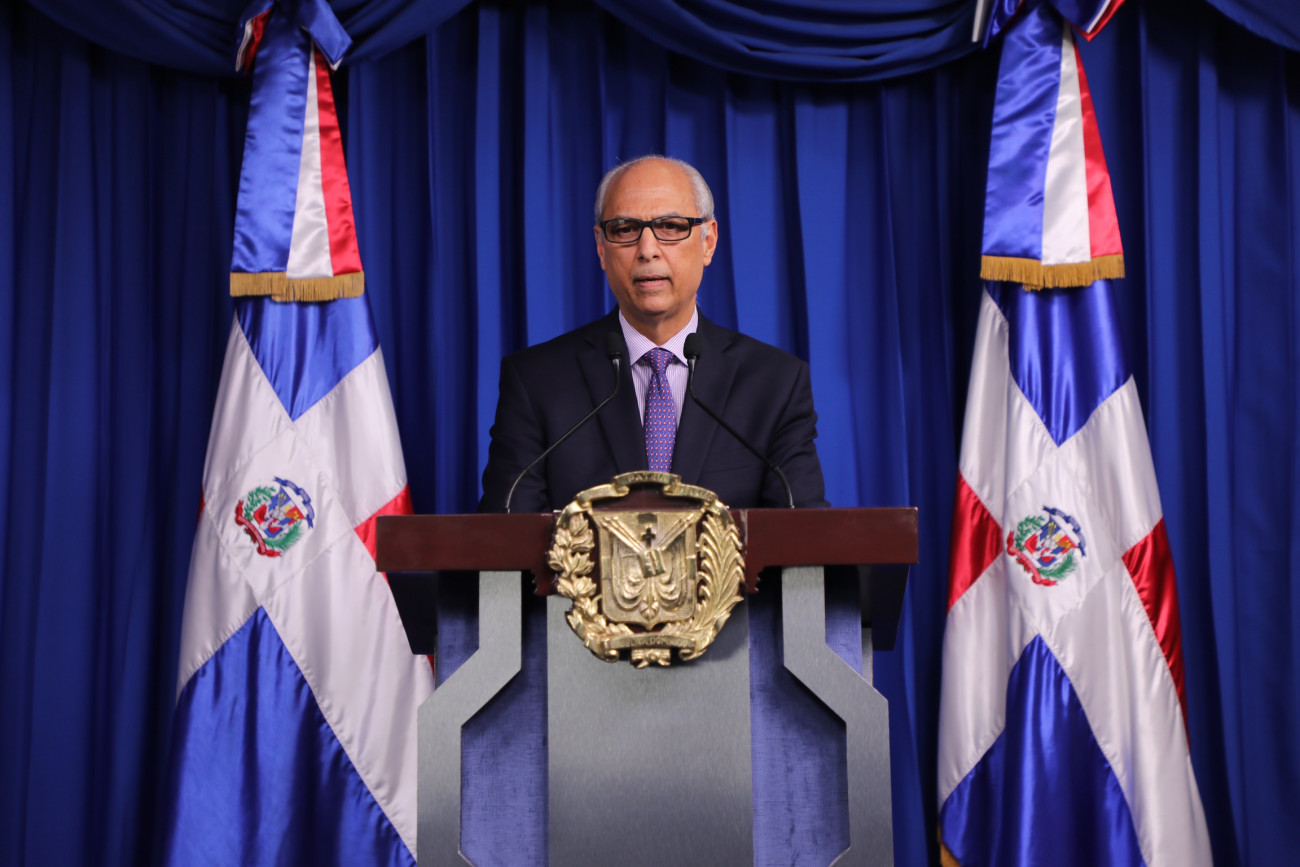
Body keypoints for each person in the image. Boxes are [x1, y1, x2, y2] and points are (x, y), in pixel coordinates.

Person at [479, 155, 827, 512]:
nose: (647, 250)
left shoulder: (775, 384)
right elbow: (503, 533)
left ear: (708, 241)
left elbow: (804, 532)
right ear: (601, 247)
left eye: (671, 227)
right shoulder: (536, 382)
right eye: (625, 229)